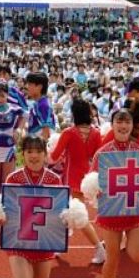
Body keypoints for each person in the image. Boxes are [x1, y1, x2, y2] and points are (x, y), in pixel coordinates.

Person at [0, 137, 64, 278]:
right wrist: (1, 216)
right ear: (23, 154)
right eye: (29, 151)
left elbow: (59, 209)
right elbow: (6, 207)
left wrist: (66, 218)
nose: (34, 155)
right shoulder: (14, 178)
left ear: (45, 154)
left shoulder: (54, 179)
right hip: (19, 241)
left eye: (38, 151)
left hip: (43, 242)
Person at [91, 108, 139, 278]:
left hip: (135, 210)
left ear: (132, 125)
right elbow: (92, 182)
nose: (123, 125)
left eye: (127, 122)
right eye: (119, 121)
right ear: (112, 124)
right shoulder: (103, 153)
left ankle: (125, 239)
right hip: (112, 212)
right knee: (113, 257)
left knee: (138, 255)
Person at [49, 98, 105, 265]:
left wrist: (47, 151)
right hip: (88, 178)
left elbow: (54, 157)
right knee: (66, 212)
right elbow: (98, 156)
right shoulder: (96, 133)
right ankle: (59, 243)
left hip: (71, 178)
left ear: (74, 114)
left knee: (78, 215)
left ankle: (99, 247)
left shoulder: (69, 133)